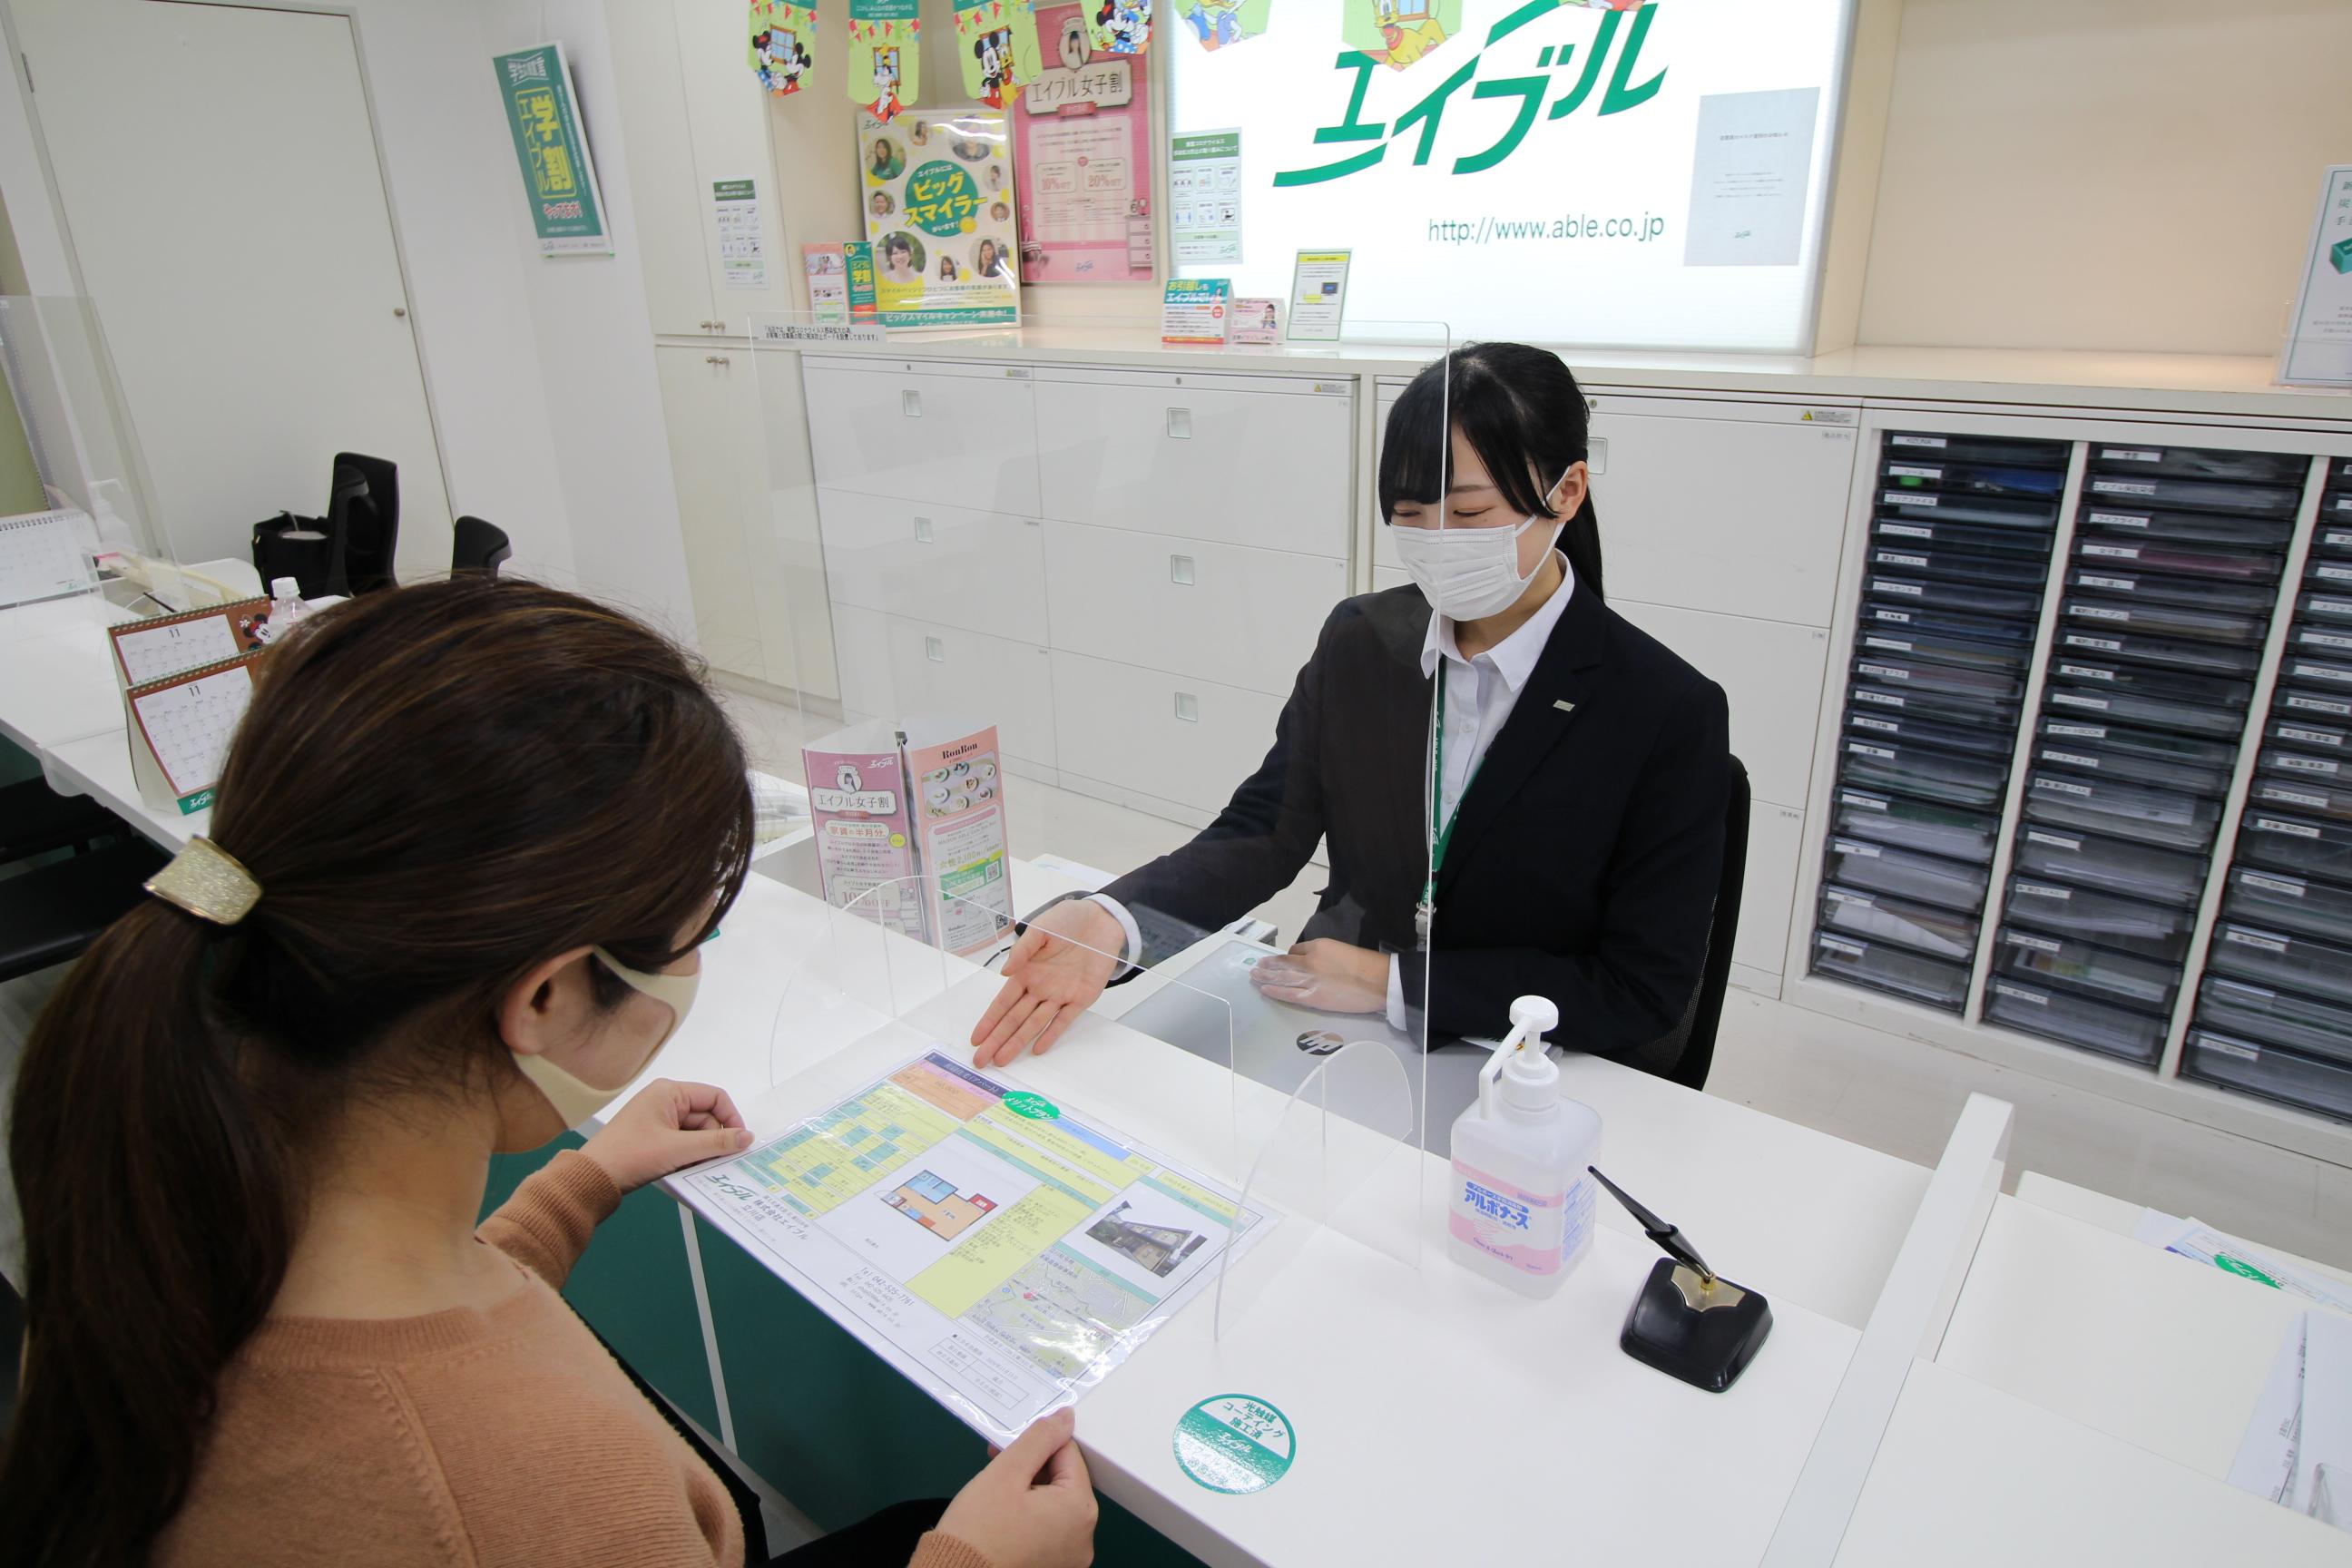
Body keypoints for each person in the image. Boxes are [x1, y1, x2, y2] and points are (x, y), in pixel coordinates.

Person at [2, 577, 1097, 1568]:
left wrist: (581, 1183)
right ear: (547, 998)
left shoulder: (158, 1199)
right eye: (688, 937)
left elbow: (409, 1340)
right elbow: (462, 1458)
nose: (697, 967)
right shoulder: (545, 1496)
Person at [971, 342, 1730, 1076]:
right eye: (1410, 513)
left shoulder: (1665, 710)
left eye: (1468, 515)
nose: (1437, 543)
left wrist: (1390, 983)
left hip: (1525, 1066)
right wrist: (1116, 922)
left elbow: (1642, 989)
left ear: (1566, 492)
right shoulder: (1363, 641)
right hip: (1331, 1031)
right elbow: (1265, 832)